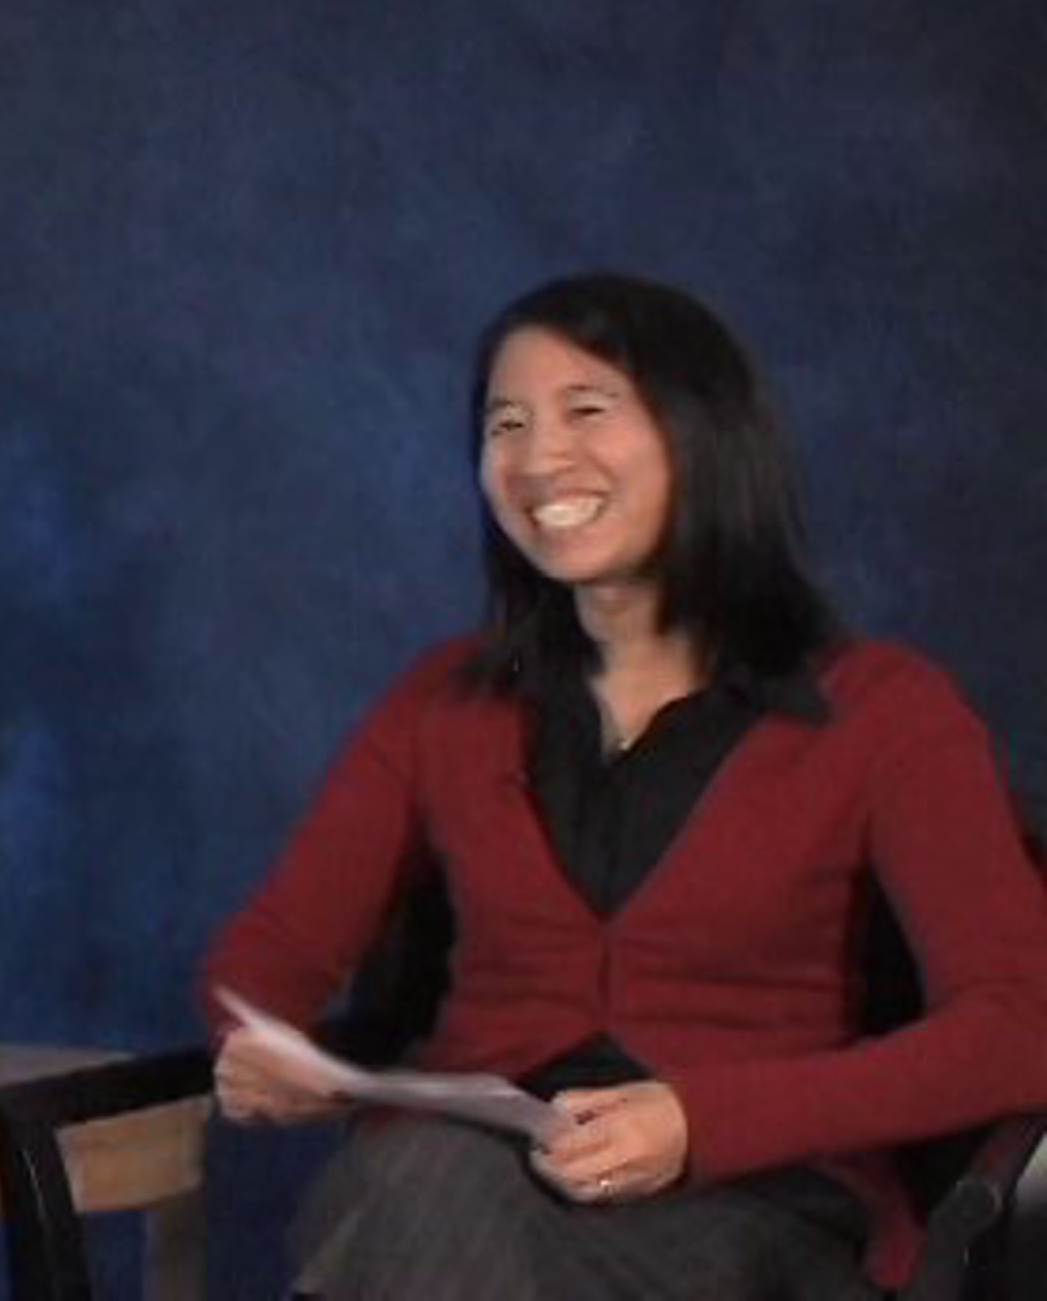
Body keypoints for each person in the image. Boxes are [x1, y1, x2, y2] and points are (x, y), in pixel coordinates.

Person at [201, 272, 1047, 1299]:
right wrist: (257, 1041)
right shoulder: (444, 703)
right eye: (505, 424)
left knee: (416, 1201)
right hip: (453, 1188)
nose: (537, 458)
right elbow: (276, 949)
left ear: (703, 432)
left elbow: (1021, 1027)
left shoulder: (886, 711)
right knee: (427, 1184)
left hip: (753, 1213)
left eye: (587, 409)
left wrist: (702, 1120)